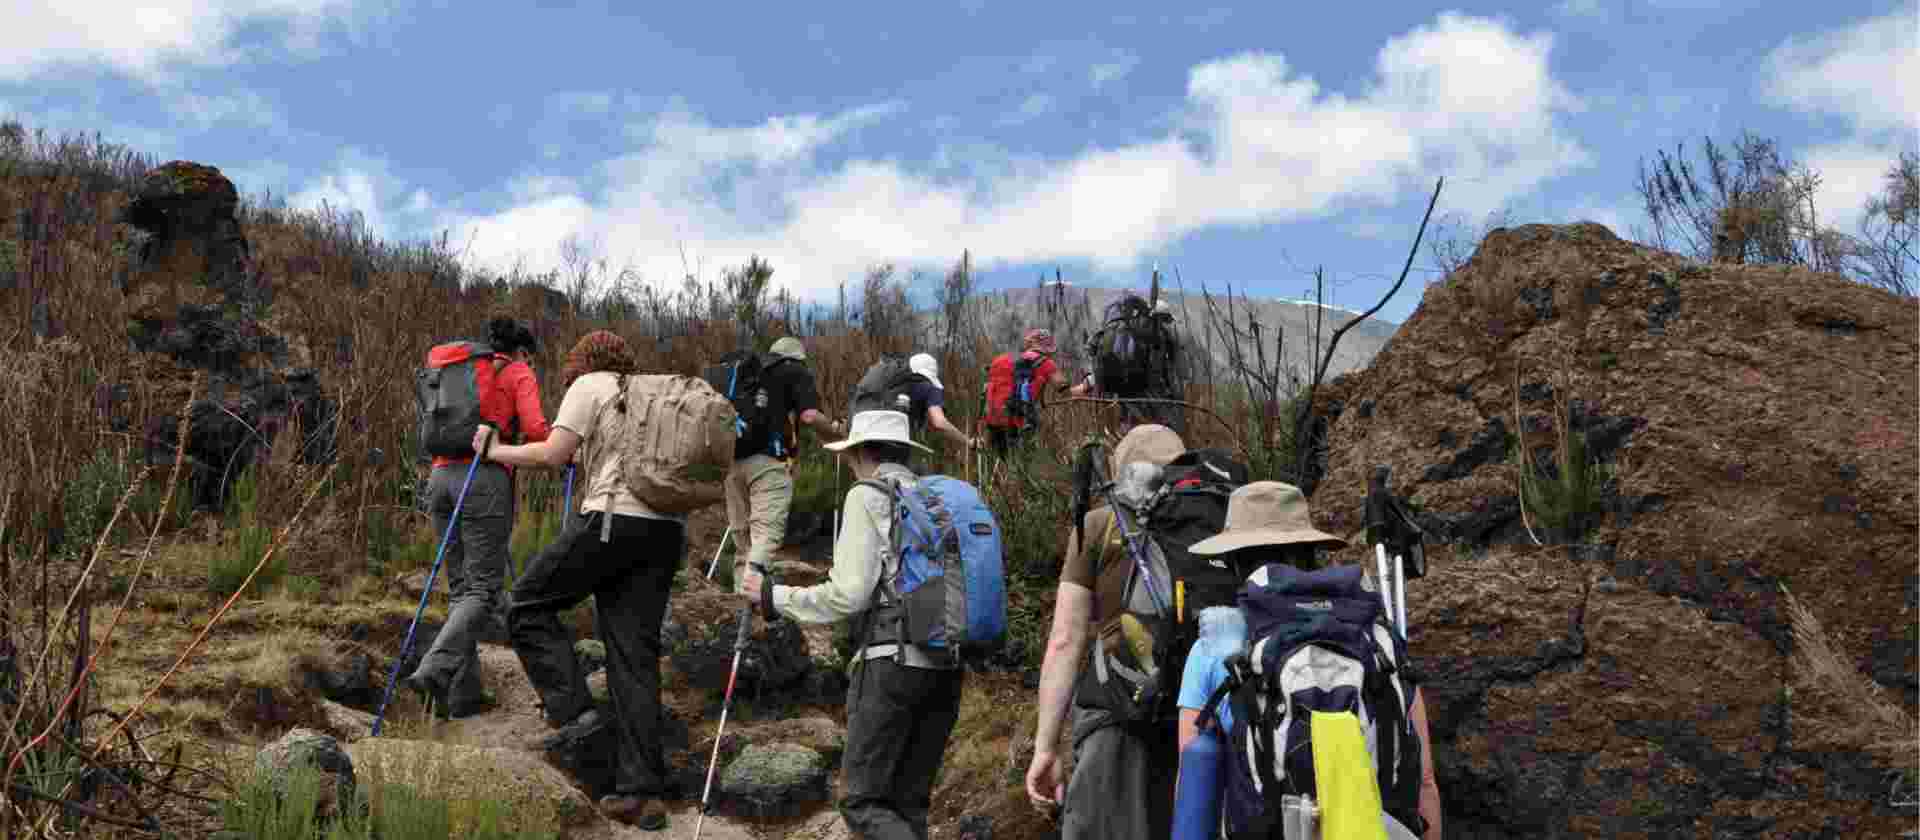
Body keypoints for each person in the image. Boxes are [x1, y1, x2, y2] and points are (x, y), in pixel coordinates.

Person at [460, 330, 683, 830]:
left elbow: (552, 454)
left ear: (583, 361)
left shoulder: (589, 385)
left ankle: (581, 719)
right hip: (665, 532)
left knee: (525, 605)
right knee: (633, 655)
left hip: (612, 521)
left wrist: (496, 450)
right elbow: (599, 455)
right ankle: (641, 792)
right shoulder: (647, 394)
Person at [741, 410, 963, 840]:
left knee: (862, 802)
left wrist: (774, 596)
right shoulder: (934, 498)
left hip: (891, 664)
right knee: (907, 805)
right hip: (947, 665)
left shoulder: (868, 495)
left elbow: (848, 595)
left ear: (860, 452)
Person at [1177, 482, 1443, 840]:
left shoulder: (1213, 645)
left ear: (1236, 563)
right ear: (1309, 553)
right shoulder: (1376, 636)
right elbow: (1424, 781)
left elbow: (1193, 776)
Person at [1026, 424, 1187, 840]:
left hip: (1116, 714)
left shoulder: (1100, 524)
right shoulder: (1211, 525)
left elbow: (1065, 640)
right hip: (1195, 715)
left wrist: (1046, 747)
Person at [404, 317, 549, 720]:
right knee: (483, 590)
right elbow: (537, 430)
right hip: (483, 480)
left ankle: (462, 695)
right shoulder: (518, 372)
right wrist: (564, 440)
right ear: (522, 351)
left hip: (439, 479)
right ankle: (433, 671)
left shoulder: (460, 373)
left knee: (461, 590)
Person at [727, 336, 843, 590]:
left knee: (742, 538)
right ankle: (752, 596)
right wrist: (835, 432)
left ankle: (738, 597)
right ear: (797, 357)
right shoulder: (796, 371)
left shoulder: (749, 374)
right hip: (769, 463)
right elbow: (810, 416)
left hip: (733, 462)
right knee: (765, 535)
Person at [980, 329, 1089, 454]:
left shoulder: (1003, 359)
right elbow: (1066, 392)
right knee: (1023, 460)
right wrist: (1087, 385)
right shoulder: (1046, 363)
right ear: (1048, 348)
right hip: (1021, 422)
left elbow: (988, 391)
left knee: (999, 459)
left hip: (994, 420)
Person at [905, 353, 974, 453]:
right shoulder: (929, 389)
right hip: (899, 441)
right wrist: (968, 441)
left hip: (879, 435)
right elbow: (939, 423)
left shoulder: (892, 383)